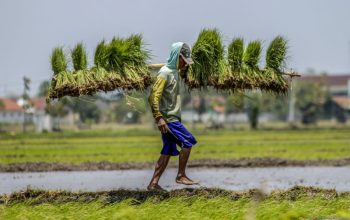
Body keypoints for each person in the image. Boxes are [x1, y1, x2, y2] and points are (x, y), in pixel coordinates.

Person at [147, 42, 198, 191]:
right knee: (188, 141)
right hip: (169, 119)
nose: (185, 64)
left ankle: (153, 184)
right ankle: (181, 175)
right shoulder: (164, 73)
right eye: (183, 60)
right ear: (177, 57)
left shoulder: (174, 71)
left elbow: (182, 71)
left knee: (167, 151)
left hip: (171, 118)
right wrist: (159, 118)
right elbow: (153, 97)